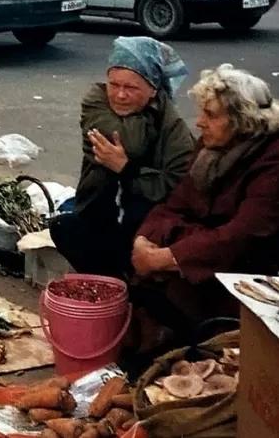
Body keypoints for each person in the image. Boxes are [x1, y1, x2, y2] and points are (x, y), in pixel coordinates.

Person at [130, 64, 279, 344]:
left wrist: (167, 257)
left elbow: (242, 235)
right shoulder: (211, 150)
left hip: (242, 270)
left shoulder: (271, 159)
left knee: (168, 290)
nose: (199, 122)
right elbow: (174, 203)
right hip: (200, 250)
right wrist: (143, 239)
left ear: (241, 120)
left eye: (210, 115)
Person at [50, 37, 195, 279]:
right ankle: (114, 283)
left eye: (131, 88)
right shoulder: (95, 100)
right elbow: (132, 143)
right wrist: (145, 115)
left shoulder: (174, 129)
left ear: (153, 90)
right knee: (65, 228)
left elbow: (176, 186)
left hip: (147, 227)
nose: (119, 95)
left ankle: (130, 287)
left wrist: (126, 169)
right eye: (114, 84)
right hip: (100, 212)